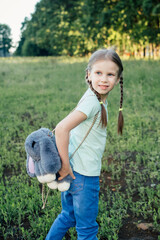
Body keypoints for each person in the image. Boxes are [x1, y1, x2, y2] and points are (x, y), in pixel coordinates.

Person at [46, 48, 124, 240]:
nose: (104, 79)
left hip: (75, 172)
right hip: (83, 176)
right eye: (98, 73)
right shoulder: (92, 102)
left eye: (110, 74)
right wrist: (64, 167)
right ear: (88, 75)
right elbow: (62, 128)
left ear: (118, 78)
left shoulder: (94, 96)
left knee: (67, 216)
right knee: (87, 231)